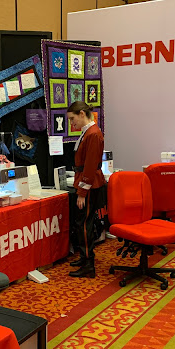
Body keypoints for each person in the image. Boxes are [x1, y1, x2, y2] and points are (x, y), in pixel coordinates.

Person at [67, 101, 105, 278]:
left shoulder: (93, 134)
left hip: (89, 184)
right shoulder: (88, 132)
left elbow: (89, 166)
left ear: (82, 114)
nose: (71, 123)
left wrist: (82, 192)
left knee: (84, 225)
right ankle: (84, 257)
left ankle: (89, 263)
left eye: (73, 119)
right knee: (82, 222)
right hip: (84, 181)